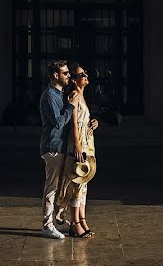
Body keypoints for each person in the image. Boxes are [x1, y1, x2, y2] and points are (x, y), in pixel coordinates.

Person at [56, 63, 99, 238]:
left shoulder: (82, 95)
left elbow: (83, 120)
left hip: (87, 141)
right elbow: (73, 123)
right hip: (78, 143)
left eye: (86, 73)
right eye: (83, 75)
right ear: (74, 80)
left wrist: (94, 123)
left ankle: (82, 219)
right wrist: (77, 146)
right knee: (76, 183)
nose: (86, 76)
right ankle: (74, 224)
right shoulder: (74, 94)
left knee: (84, 182)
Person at [39, 59, 78, 239]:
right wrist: (70, 106)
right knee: (52, 188)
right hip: (52, 148)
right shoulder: (49, 96)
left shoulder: (61, 94)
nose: (69, 76)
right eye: (65, 73)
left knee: (61, 187)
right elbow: (58, 123)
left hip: (62, 147)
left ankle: (56, 220)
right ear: (56, 75)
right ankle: (47, 225)